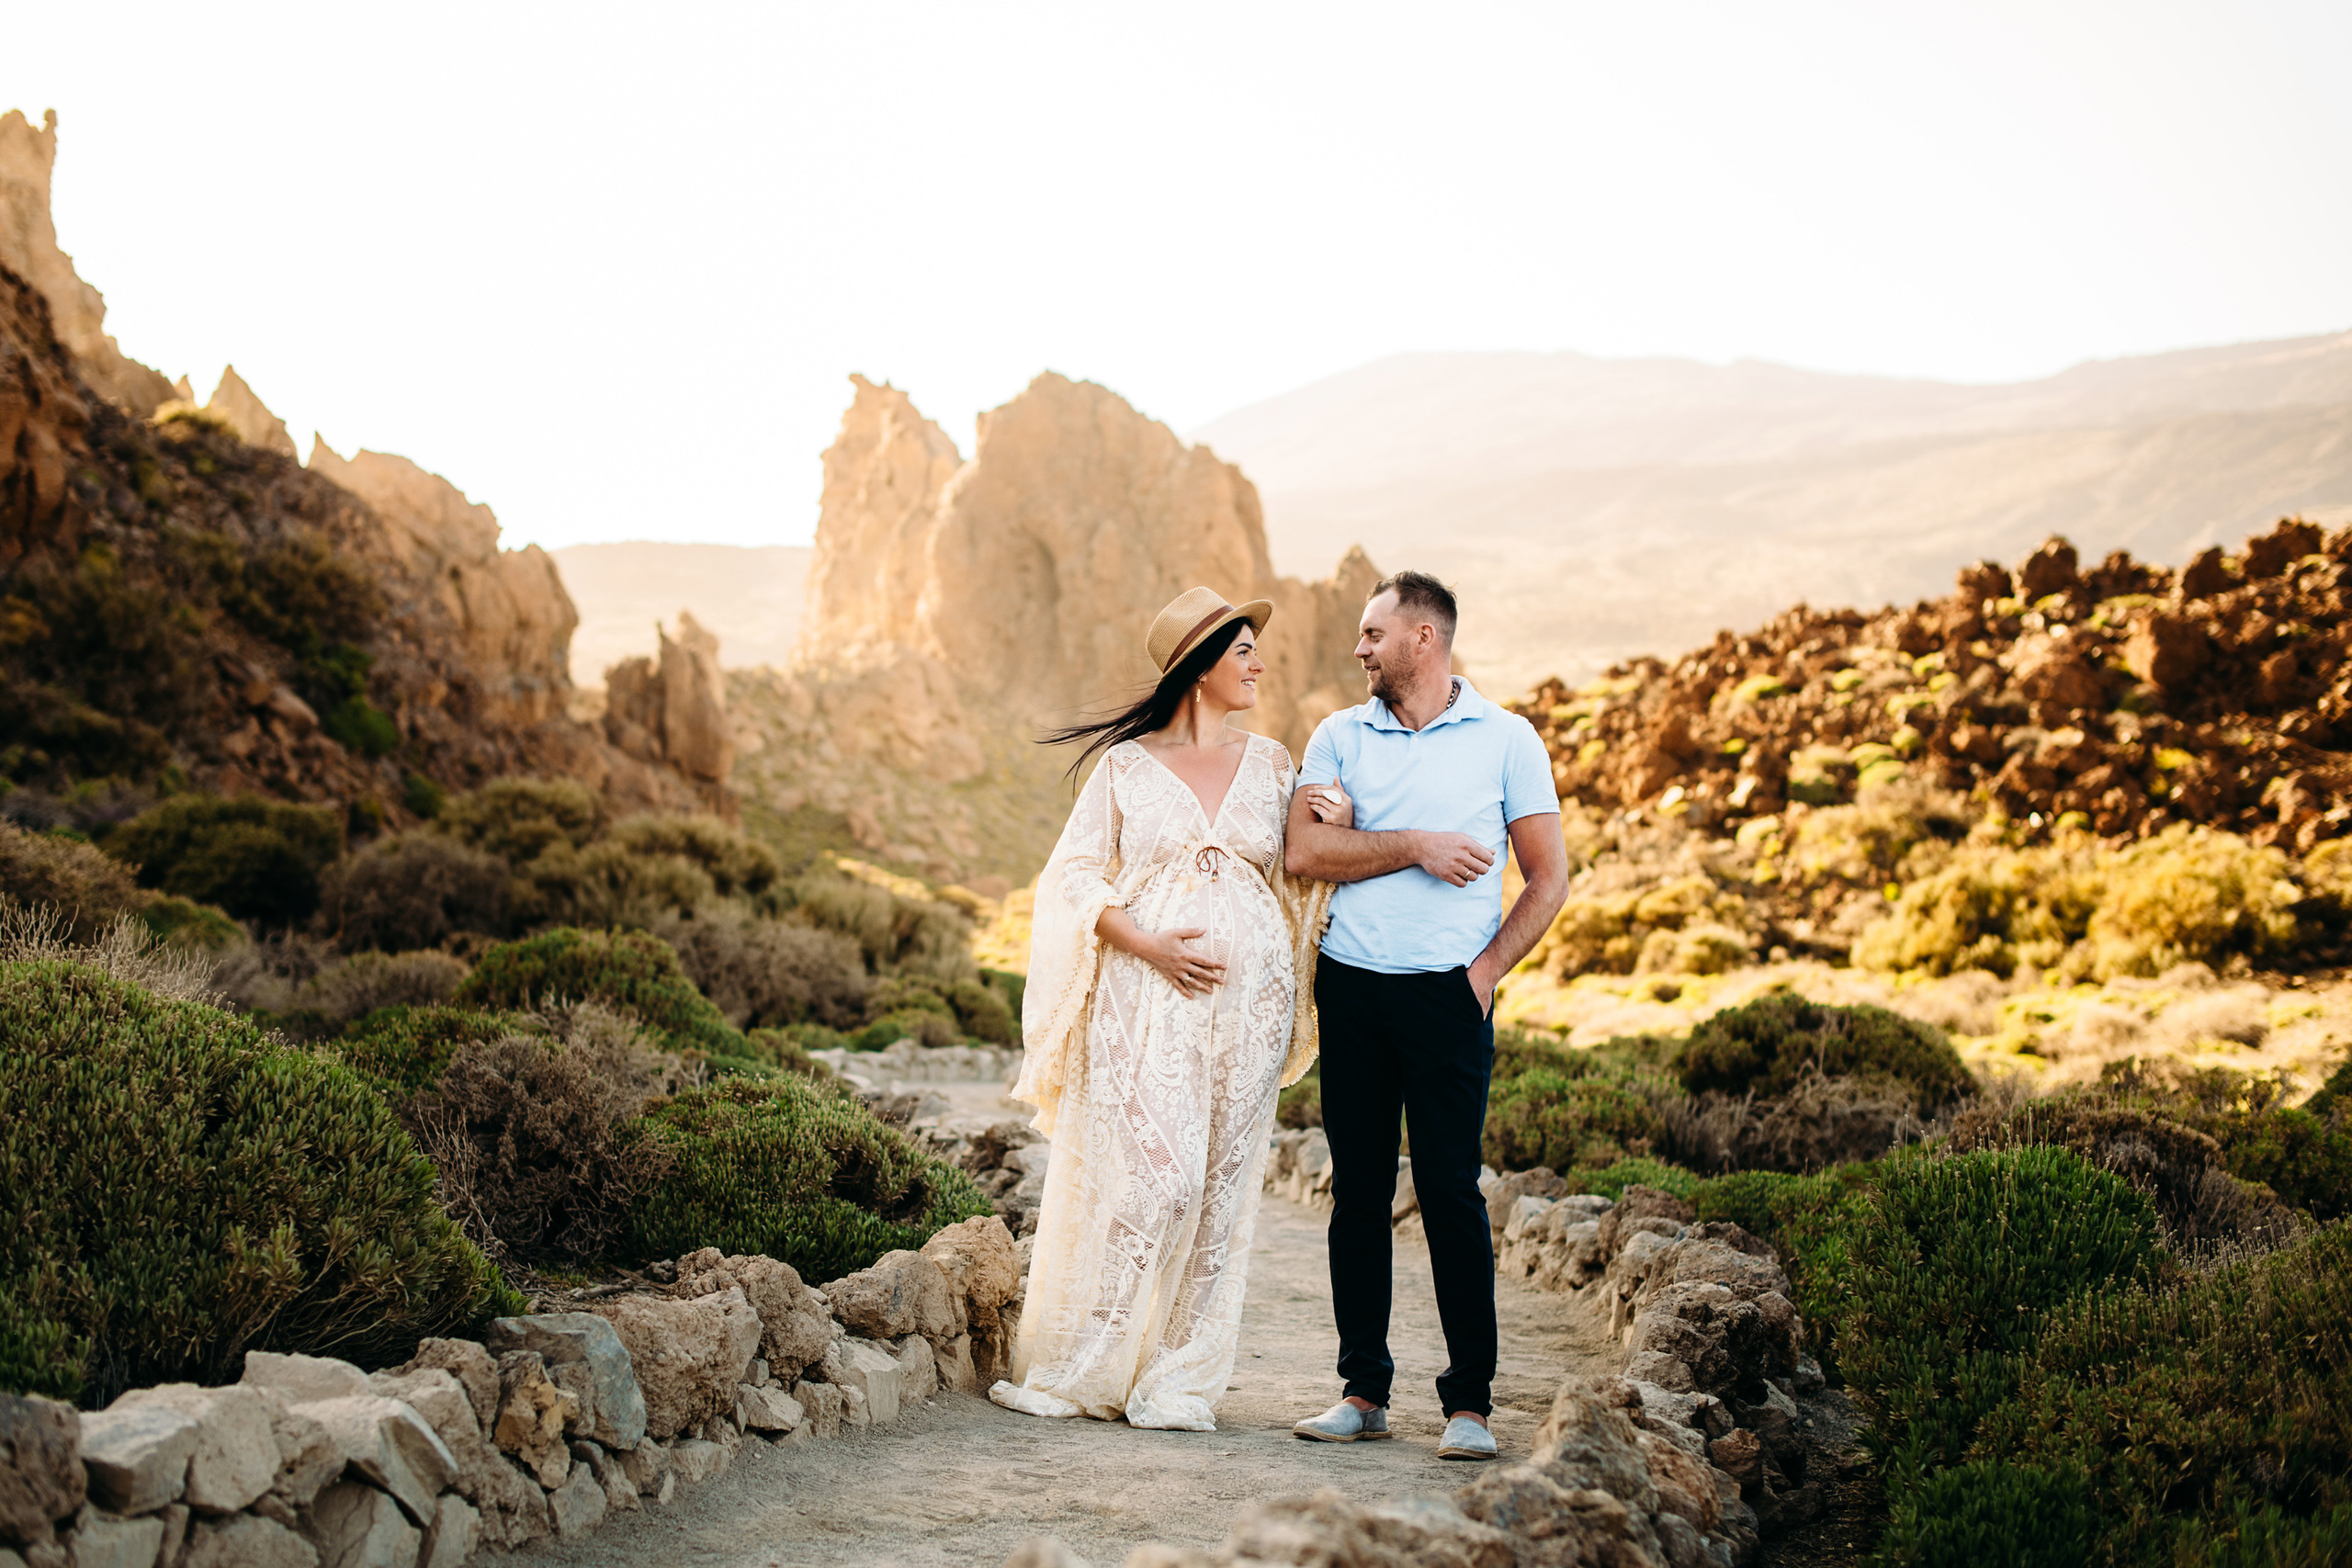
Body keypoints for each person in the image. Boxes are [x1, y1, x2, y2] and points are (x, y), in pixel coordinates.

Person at [989, 586, 1334, 1431]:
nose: (1259, 663)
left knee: (1223, 1188)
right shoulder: (1125, 769)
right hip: (1147, 996)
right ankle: (1091, 1360)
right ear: (1200, 665)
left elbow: (1301, 867)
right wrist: (1149, 943)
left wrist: (1339, 821)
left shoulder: (1274, 761)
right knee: (1160, 1179)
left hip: (1251, 1006)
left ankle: (1178, 1382)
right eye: (1243, 649)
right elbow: (1070, 880)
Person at [1282, 570, 1570, 1461]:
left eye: (1373, 634)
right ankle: (1362, 1390)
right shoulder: (1338, 735)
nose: (1359, 649)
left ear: (1422, 639)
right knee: (1358, 1194)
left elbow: (1548, 876)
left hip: (1449, 996)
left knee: (1449, 1192)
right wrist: (1414, 845)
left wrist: (1484, 973)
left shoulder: (1507, 740)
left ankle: (1469, 1406)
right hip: (1354, 988)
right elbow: (1304, 850)